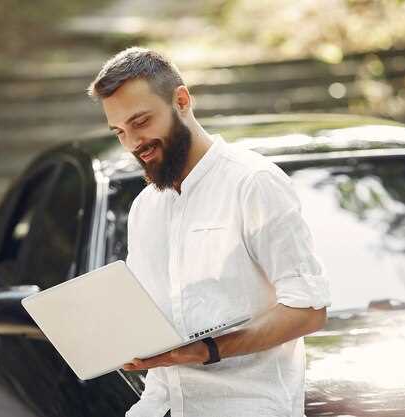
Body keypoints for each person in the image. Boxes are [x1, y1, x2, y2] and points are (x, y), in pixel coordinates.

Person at [87, 47, 331, 417]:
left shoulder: (253, 183)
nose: (133, 143)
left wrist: (209, 349)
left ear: (181, 101)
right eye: (120, 131)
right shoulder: (145, 207)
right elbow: (148, 319)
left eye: (141, 122)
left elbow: (309, 311)